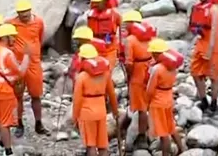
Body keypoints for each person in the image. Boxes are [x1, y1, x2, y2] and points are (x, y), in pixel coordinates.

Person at [7, 0, 48, 137]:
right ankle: (19, 123)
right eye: (21, 13)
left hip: (34, 64)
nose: (24, 15)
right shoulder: (11, 24)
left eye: (26, 12)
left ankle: (39, 123)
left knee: (36, 95)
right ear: (17, 13)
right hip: (17, 65)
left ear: (31, 11)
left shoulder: (39, 22)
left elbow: (40, 38)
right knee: (17, 96)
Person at [0, 24, 30, 156]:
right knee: (5, 123)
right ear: (6, 37)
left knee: (2, 119)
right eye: (13, 36)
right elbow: (20, 72)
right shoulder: (7, 54)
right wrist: (27, 56)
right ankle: (8, 151)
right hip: (5, 90)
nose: (14, 39)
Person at [72, 44, 119, 156]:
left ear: (83, 59)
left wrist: (75, 117)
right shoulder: (105, 74)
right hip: (101, 111)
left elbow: (77, 100)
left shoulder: (82, 77)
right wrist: (115, 112)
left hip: (87, 113)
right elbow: (112, 94)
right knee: (102, 145)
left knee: (91, 145)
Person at [188, 0, 218, 113]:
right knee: (195, 72)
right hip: (201, 42)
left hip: (213, 44)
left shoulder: (216, 9)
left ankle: (214, 104)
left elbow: (214, 31)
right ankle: (203, 100)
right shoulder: (201, 7)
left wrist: (209, 50)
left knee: (213, 76)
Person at [146, 39, 186, 156]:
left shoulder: (157, 69)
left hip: (158, 102)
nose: (152, 55)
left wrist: (147, 103)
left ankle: (165, 154)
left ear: (157, 54)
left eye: (153, 53)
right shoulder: (172, 67)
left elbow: (150, 89)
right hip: (168, 98)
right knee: (171, 127)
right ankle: (181, 149)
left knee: (163, 133)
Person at [121, 12, 154, 148]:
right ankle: (150, 132)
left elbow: (129, 63)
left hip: (137, 75)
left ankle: (142, 137)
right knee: (147, 105)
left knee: (141, 108)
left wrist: (128, 75)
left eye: (126, 23)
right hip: (150, 73)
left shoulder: (130, 40)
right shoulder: (149, 37)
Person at [87, 0, 122, 67]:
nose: (97, 4)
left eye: (99, 2)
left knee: (107, 70)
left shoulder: (115, 14)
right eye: (95, 2)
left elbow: (122, 31)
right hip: (95, 49)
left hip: (110, 48)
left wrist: (121, 49)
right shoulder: (90, 14)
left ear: (105, 1)